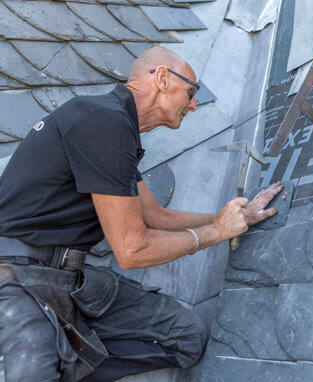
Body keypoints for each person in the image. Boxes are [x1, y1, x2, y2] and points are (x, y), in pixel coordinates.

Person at [0, 46, 283, 381]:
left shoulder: (112, 127)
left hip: (69, 280)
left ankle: (70, 357)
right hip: (15, 278)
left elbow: (156, 216)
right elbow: (132, 250)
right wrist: (218, 232)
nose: (193, 104)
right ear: (162, 78)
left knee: (185, 338)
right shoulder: (103, 120)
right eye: (191, 92)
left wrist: (233, 218)